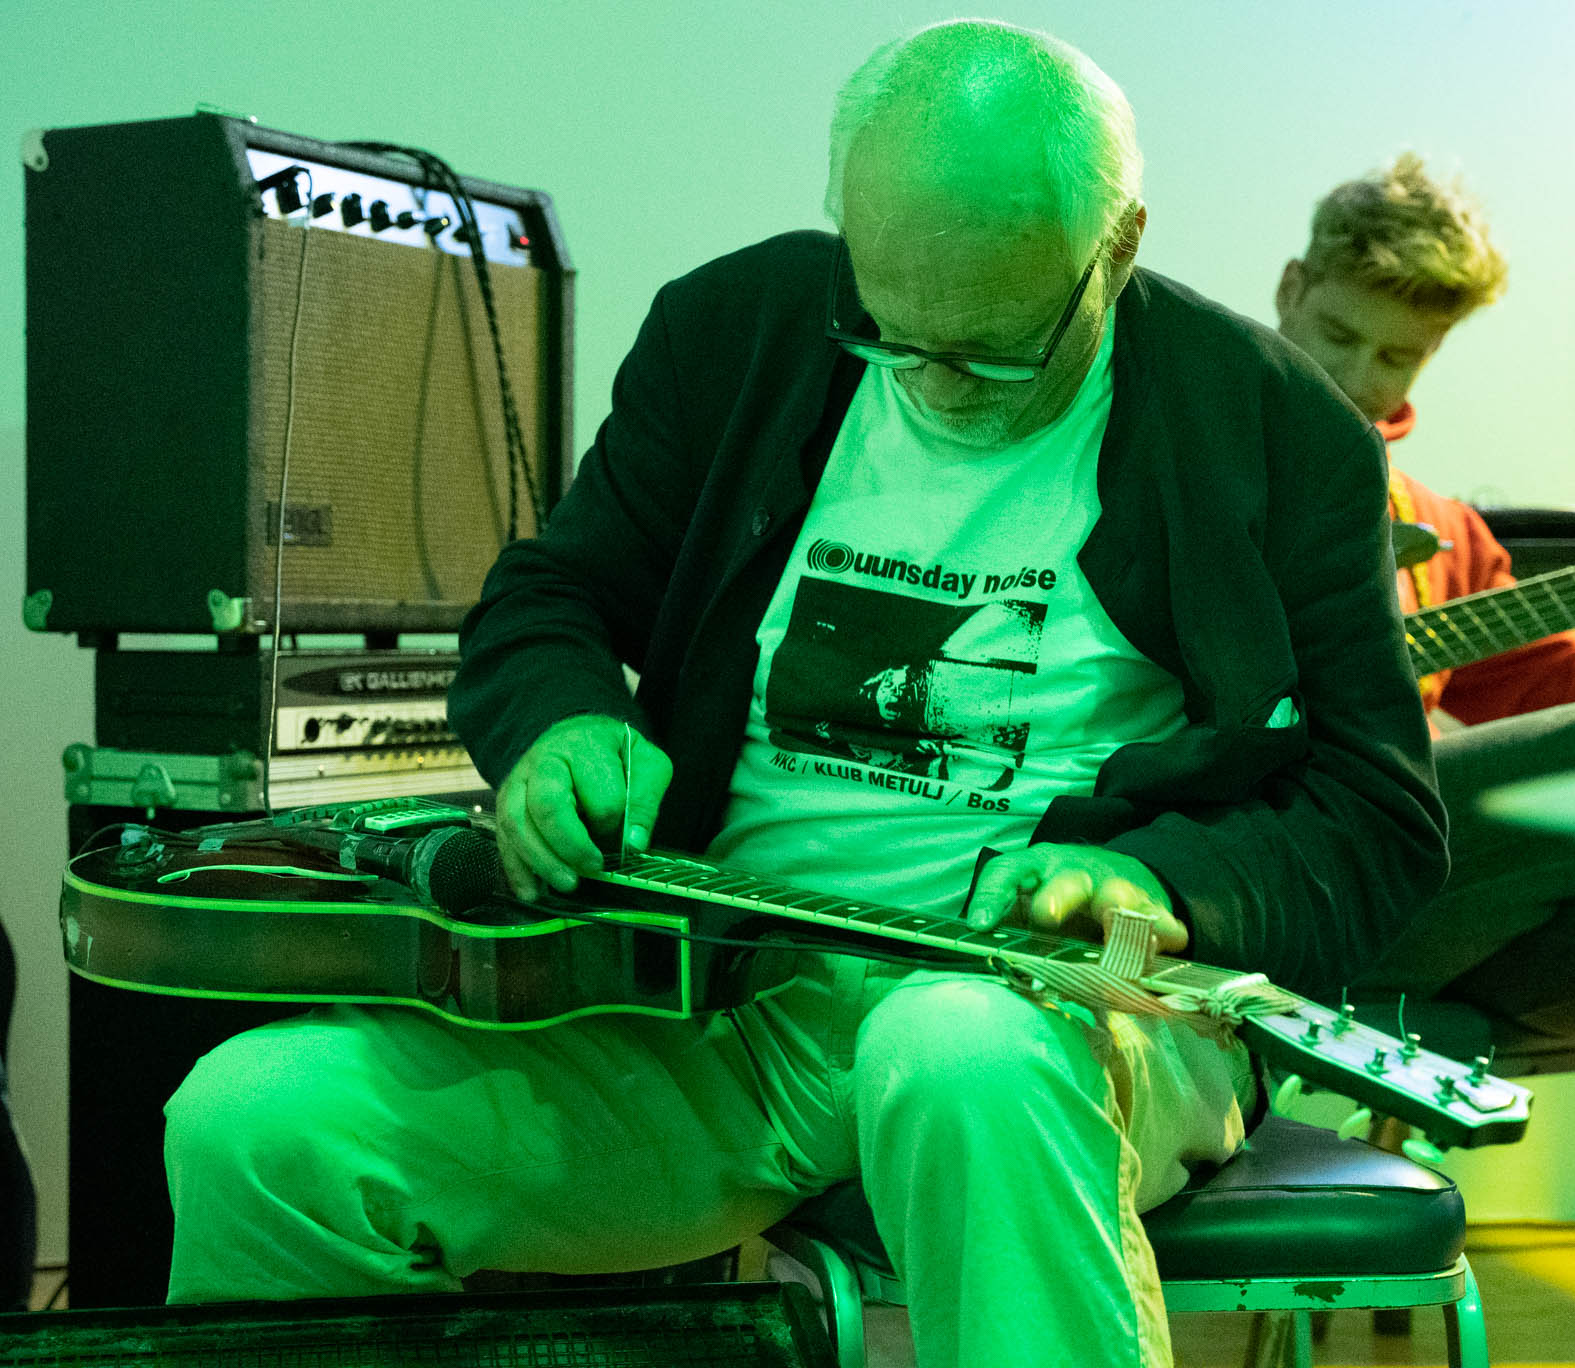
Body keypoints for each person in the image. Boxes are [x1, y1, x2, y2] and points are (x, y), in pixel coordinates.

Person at [161, 22, 1446, 1366]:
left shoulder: (1275, 432)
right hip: (720, 1006)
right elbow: (554, 596)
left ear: (1117, 246)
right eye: (892, 335)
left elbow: (1378, 818)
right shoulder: (737, 331)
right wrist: (565, 725)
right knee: (260, 1126)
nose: (938, 384)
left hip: (1068, 1015)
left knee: (958, 1054)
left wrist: (1157, 883)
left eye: (996, 351)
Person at [1272, 153, 1575, 1368]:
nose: (1360, 377)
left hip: (1436, 899)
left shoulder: (1435, 527)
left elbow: (1548, 693)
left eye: (1398, 357)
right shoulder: (1199, 470)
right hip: (1278, 898)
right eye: (1338, 335)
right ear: (1289, 288)